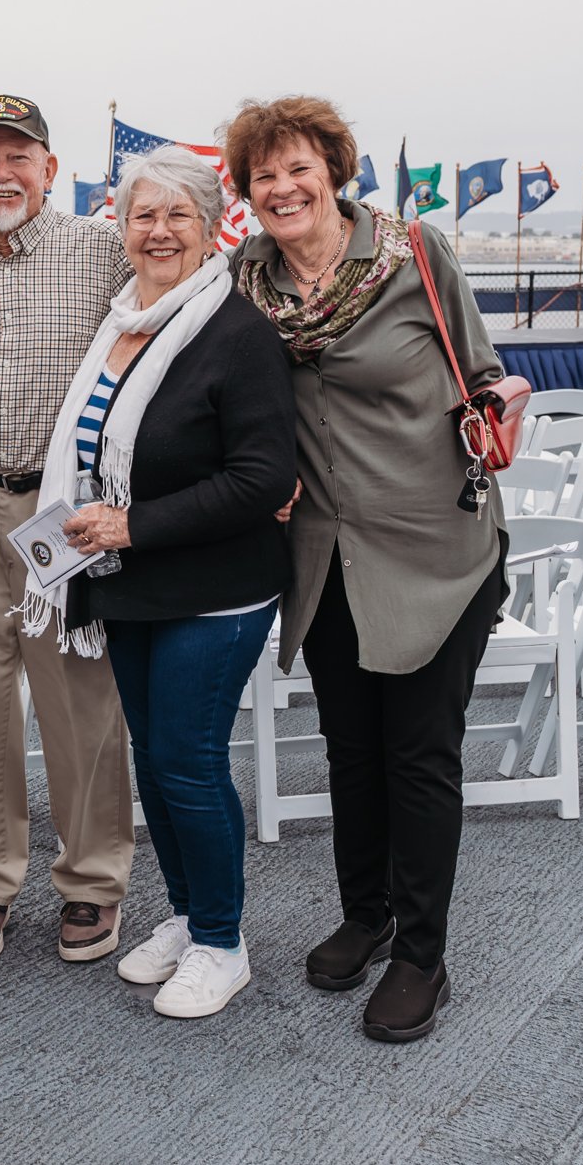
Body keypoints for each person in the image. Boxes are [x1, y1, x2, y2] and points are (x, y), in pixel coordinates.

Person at [229, 95, 508, 1043]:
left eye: (299, 167)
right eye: (264, 175)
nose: (283, 187)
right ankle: (368, 909)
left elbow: (485, 369)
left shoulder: (414, 254)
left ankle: (422, 953)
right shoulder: (246, 280)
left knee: (418, 753)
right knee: (350, 746)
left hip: (437, 546)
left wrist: (500, 408)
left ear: (334, 172)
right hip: (326, 553)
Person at [43, 147, 296, 1018]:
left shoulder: (238, 332)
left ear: (212, 224)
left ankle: (224, 943)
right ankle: (190, 917)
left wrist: (132, 522)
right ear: (122, 228)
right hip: (129, 581)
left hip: (215, 587)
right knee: (155, 760)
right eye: (142, 216)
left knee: (189, 763)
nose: (159, 232)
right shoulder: (124, 320)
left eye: (177, 216)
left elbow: (262, 479)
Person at [0, 94, 135, 966]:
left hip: (68, 508)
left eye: (20, 157)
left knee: (80, 697)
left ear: (51, 168)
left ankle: (91, 881)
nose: (1, 173)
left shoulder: (102, 250)